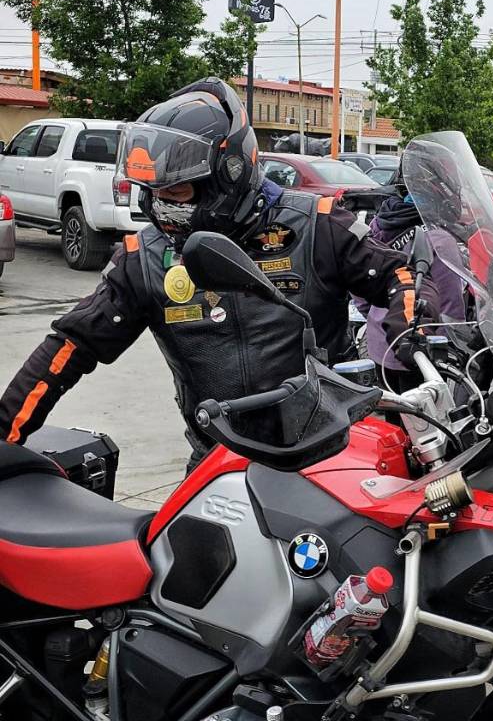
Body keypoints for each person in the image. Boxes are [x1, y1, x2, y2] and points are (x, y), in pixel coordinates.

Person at [0, 77, 436, 472]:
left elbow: (398, 274)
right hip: (218, 462)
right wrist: (5, 436)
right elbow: (71, 345)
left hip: (332, 454)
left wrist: (413, 323)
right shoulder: (144, 257)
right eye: (154, 192)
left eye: (178, 190)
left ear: (230, 173)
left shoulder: (317, 223)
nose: (163, 205)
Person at [355, 191, 466, 392]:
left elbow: (360, 287)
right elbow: (450, 306)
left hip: (381, 345)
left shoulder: (378, 224)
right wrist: (452, 349)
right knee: (425, 421)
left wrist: (377, 318)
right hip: (421, 351)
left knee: (393, 419)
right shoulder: (440, 239)